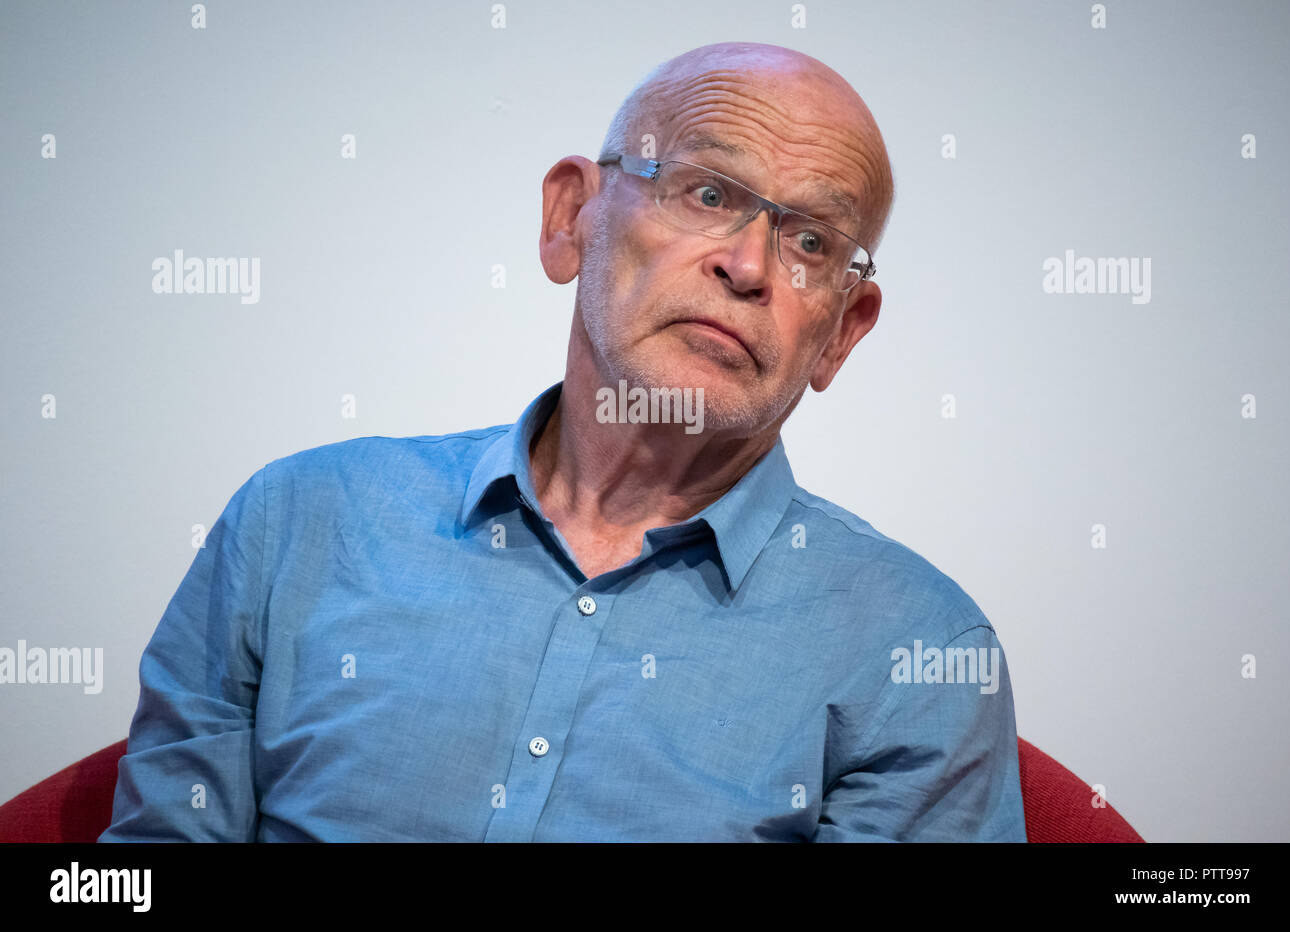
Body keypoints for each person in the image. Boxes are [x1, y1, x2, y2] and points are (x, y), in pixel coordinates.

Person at [100, 41, 1027, 842]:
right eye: (708, 191)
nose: (746, 265)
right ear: (569, 219)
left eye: (812, 244)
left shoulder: (919, 652)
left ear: (842, 332)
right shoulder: (297, 524)